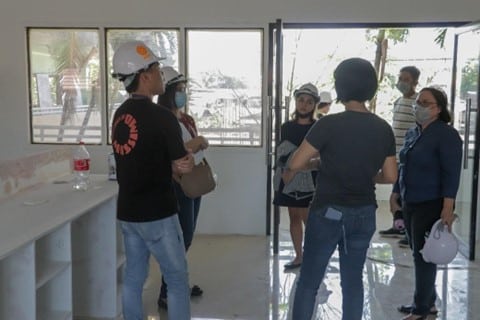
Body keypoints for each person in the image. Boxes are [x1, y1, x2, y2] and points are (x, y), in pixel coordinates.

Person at [287, 58, 398, 320]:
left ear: (341, 87)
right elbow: (391, 175)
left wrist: (320, 162)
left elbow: (296, 162)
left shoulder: (328, 124)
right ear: (371, 87)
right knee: (353, 282)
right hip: (363, 213)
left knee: (309, 282)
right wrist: (365, 175)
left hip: (328, 210)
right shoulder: (383, 128)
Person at [111, 40, 194, 320]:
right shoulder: (162, 117)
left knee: (134, 277)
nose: (161, 75)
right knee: (177, 278)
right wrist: (185, 162)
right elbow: (182, 166)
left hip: (128, 213)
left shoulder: (119, 115)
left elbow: (140, 161)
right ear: (144, 76)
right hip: (157, 212)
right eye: (158, 70)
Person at [394, 87, 462, 320]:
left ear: (438, 108)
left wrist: (448, 206)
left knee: (424, 256)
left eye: (425, 103)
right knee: (418, 252)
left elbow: (451, 173)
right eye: (418, 102)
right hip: (410, 200)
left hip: (431, 202)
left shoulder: (446, 135)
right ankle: (428, 302)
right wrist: (396, 194)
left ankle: (420, 309)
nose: (419, 106)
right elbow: (403, 165)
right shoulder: (414, 133)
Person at [156, 66, 208, 308]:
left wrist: (198, 143)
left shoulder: (184, 118)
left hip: (192, 182)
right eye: (179, 90)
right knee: (180, 238)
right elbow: (164, 154)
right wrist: (193, 145)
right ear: (167, 92)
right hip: (175, 185)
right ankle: (168, 291)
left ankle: (177, 285)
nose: (183, 94)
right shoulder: (158, 118)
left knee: (186, 236)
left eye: (184, 90)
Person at [272, 83, 320, 270]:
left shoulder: (318, 127)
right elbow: (283, 151)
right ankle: (299, 256)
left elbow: (322, 153)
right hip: (290, 176)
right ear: (296, 102)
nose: (304, 105)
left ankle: (311, 255)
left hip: (311, 179)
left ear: (314, 104)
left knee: (309, 217)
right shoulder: (286, 127)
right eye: (301, 100)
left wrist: (308, 163)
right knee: (293, 216)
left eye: (309, 102)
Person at [379, 66, 421, 249]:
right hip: (394, 156)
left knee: (404, 195)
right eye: (400, 78)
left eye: (406, 79)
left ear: (414, 82)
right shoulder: (398, 101)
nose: (402, 82)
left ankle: (409, 231)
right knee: (395, 194)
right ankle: (399, 226)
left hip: (408, 158)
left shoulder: (417, 102)